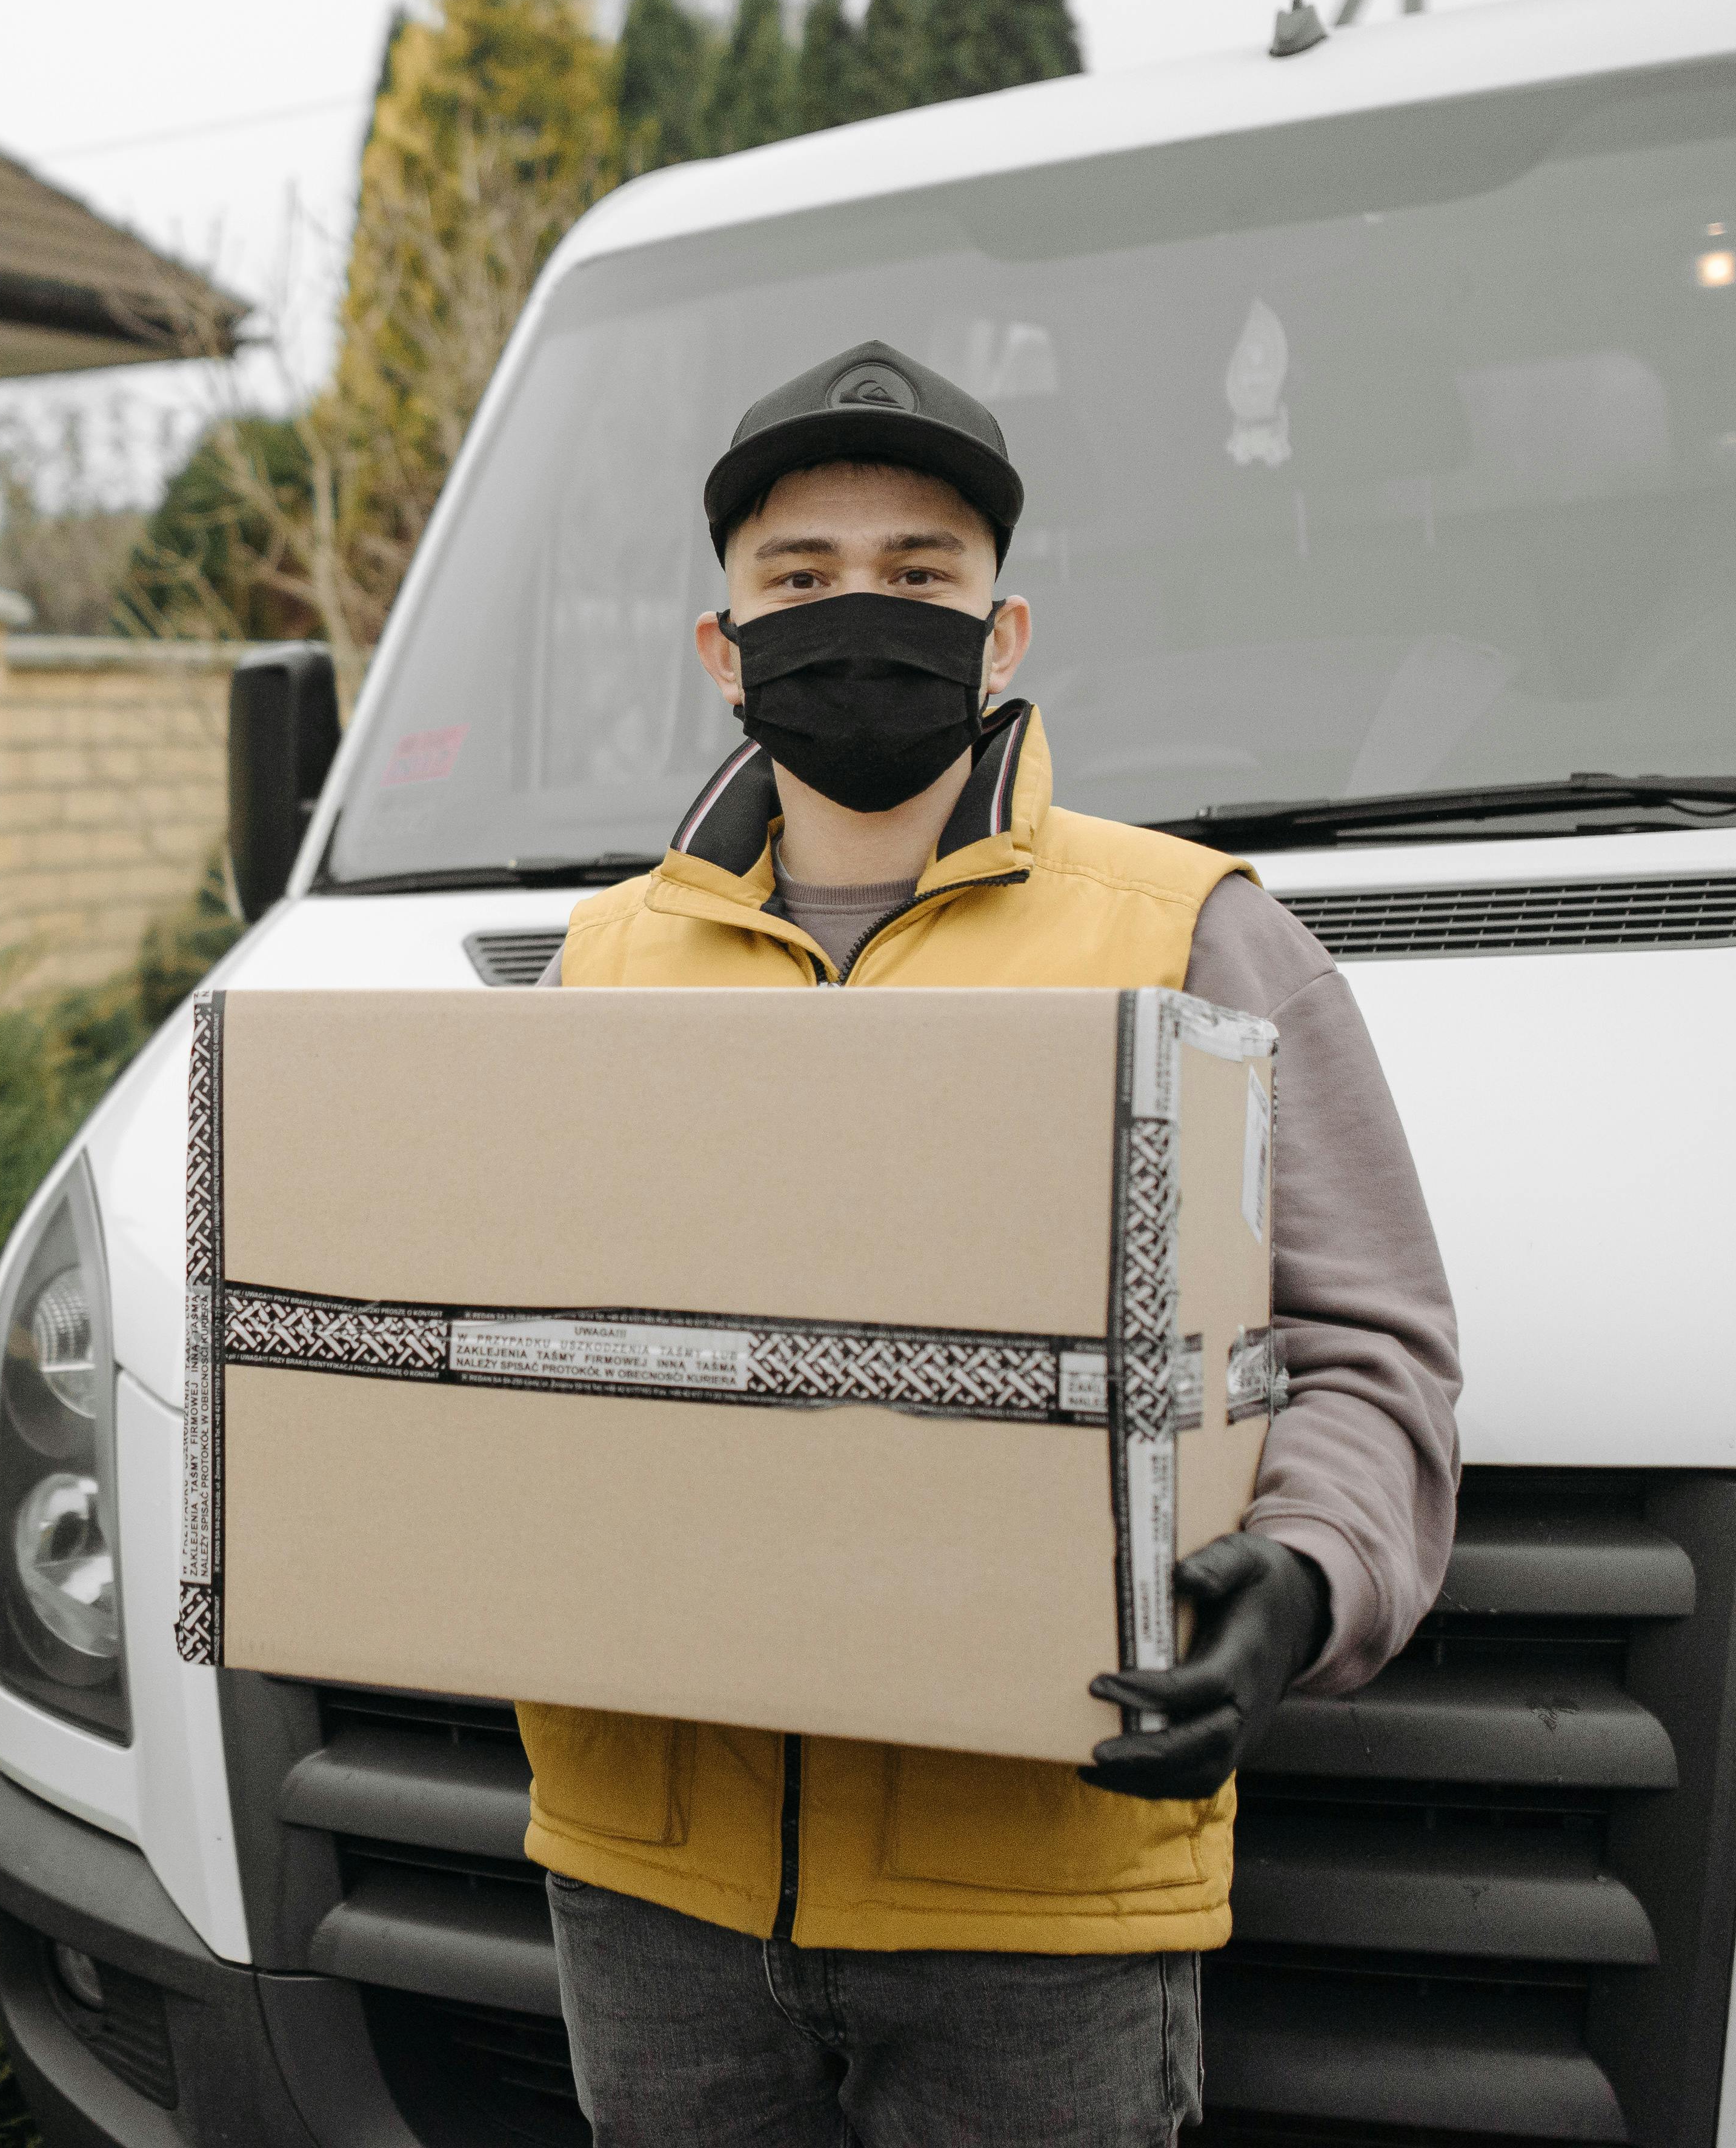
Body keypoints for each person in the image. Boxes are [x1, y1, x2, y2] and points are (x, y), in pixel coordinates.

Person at [523, 339, 1463, 2146]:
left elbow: (1370, 1350)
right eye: (800, 580)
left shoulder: (1197, 935)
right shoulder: (602, 962)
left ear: (1003, 636)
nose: (856, 614)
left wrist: (1308, 1581)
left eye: (918, 576)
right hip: (652, 1896)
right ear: (722, 648)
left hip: (1041, 1899)